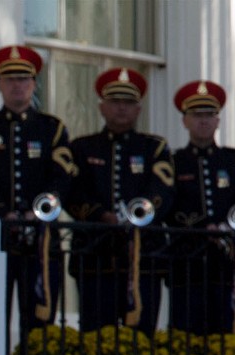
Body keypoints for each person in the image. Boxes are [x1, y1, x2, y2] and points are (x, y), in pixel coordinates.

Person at [0, 45, 75, 333]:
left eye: (24, 79)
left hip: (41, 242)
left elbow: (63, 176)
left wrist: (39, 212)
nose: (17, 86)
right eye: (10, 79)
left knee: (39, 324)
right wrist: (1, 214)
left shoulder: (52, 129)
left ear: (33, 83)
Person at [65, 68, 172, 332]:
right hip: (95, 256)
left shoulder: (154, 148)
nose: (121, 109)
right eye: (115, 102)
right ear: (102, 108)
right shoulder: (82, 147)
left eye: (128, 103)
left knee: (143, 334)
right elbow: (73, 192)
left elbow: (163, 190)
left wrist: (137, 215)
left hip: (144, 255)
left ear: (138, 110)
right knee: (96, 334)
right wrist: (100, 215)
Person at [164, 79, 235, 335]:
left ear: (217, 121)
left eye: (209, 115)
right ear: (185, 121)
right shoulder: (174, 161)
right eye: (196, 115)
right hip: (186, 262)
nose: (203, 121)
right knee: (184, 331)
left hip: (225, 263)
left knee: (226, 330)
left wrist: (227, 227)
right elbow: (167, 204)